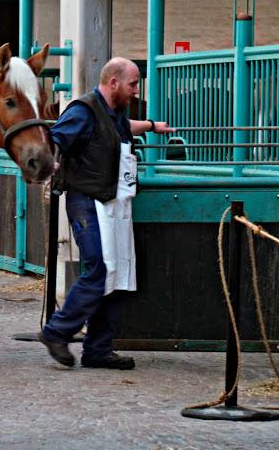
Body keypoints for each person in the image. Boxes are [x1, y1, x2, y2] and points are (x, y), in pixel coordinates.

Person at [38, 57, 174, 369]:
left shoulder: (114, 113)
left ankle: (98, 349)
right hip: (89, 200)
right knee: (100, 269)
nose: (136, 91)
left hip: (114, 202)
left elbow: (123, 128)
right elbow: (55, 138)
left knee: (117, 274)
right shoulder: (83, 110)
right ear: (113, 82)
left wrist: (153, 126)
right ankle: (57, 331)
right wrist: (52, 162)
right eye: (133, 84)